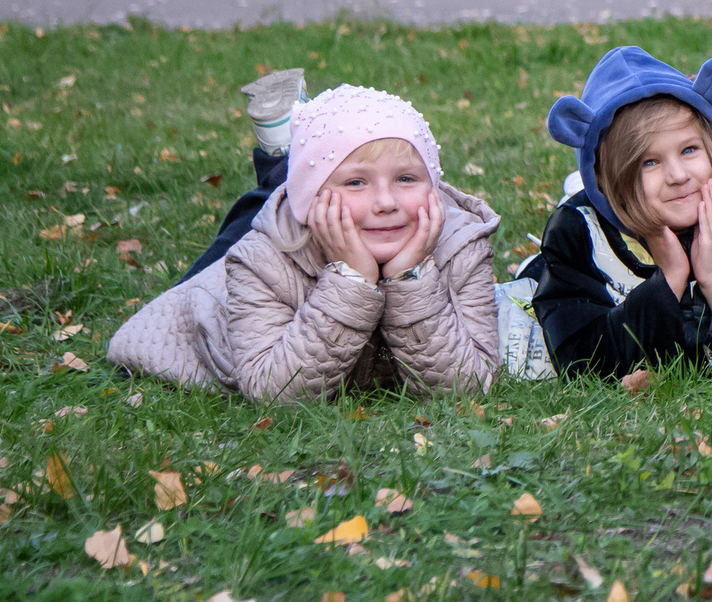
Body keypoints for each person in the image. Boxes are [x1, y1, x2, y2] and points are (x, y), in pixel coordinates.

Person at [108, 84, 501, 401]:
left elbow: (467, 388)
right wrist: (351, 281)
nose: (386, 203)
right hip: (207, 321)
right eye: (355, 182)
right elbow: (275, 392)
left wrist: (411, 277)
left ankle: (282, 145)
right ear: (312, 199)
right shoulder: (263, 263)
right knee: (254, 218)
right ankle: (280, 152)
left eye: (407, 179)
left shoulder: (461, 246)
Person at [526, 47, 712, 377]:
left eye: (689, 150)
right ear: (609, 179)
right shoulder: (578, 233)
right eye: (649, 162)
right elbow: (580, 366)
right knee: (530, 279)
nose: (678, 175)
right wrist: (668, 281)